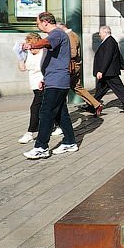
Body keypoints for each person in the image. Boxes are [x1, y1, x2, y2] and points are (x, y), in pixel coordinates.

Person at [21, 12, 79, 159]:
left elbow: (46, 43)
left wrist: (31, 45)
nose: (37, 26)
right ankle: (70, 142)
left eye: (38, 23)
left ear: (46, 22)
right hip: (54, 80)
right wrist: (45, 78)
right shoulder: (57, 34)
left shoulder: (56, 34)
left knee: (45, 113)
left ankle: (41, 147)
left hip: (57, 82)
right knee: (61, 114)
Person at [17, 33, 62, 144]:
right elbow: (22, 68)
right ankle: (60, 126)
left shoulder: (44, 52)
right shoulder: (28, 53)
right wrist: (19, 56)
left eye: (31, 44)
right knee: (52, 106)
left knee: (35, 107)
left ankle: (30, 133)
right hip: (33, 84)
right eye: (28, 44)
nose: (30, 47)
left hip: (43, 83)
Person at [57, 23, 103, 116]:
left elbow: (73, 53)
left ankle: (59, 110)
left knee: (61, 88)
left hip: (72, 66)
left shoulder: (70, 36)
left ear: (61, 28)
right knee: (77, 87)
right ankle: (96, 104)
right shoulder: (71, 35)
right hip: (74, 66)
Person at [93, 25, 124, 113]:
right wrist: (123, 67)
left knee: (119, 89)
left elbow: (107, 58)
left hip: (109, 72)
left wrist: (101, 71)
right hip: (108, 72)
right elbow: (118, 55)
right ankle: (91, 106)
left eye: (100, 32)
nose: (99, 34)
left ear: (105, 32)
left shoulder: (109, 42)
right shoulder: (109, 41)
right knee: (100, 90)